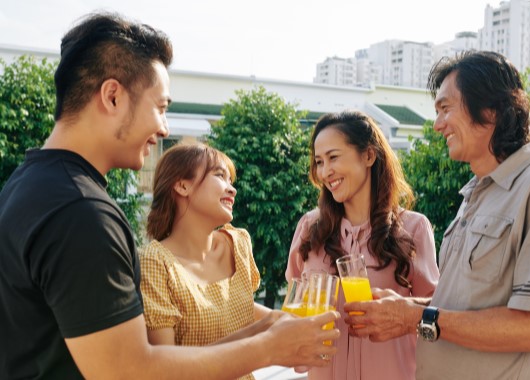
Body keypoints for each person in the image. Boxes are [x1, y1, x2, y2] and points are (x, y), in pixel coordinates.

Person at [0, 12, 338, 379]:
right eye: (160, 108)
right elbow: (132, 371)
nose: (163, 128)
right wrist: (269, 348)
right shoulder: (81, 213)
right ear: (112, 96)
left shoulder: (24, 185)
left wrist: (271, 328)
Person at [344, 51, 530, 380]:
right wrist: (411, 308)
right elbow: (466, 305)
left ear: (491, 109)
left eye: (446, 108)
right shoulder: (476, 192)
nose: (437, 124)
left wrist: (413, 318)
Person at [286, 110, 440, 380]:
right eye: (319, 162)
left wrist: (402, 316)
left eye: (333, 157)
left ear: (368, 155)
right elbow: (293, 308)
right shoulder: (310, 228)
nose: (325, 171)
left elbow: (434, 317)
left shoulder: (413, 228)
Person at [141, 142, 271, 380]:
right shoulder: (155, 261)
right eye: (220, 176)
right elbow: (166, 371)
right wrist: (265, 336)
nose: (232, 189)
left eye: (231, 181)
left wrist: (285, 320)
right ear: (182, 185)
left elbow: (235, 308)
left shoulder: (239, 243)